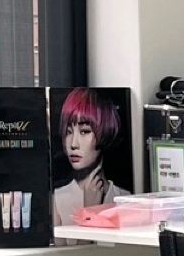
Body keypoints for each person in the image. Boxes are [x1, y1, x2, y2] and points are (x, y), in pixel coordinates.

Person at [52, 88, 130, 227]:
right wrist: (89, 211)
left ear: (105, 131)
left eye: (84, 131)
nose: (73, 144)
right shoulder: (57, 199)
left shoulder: (124, 199)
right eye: (68, 132)